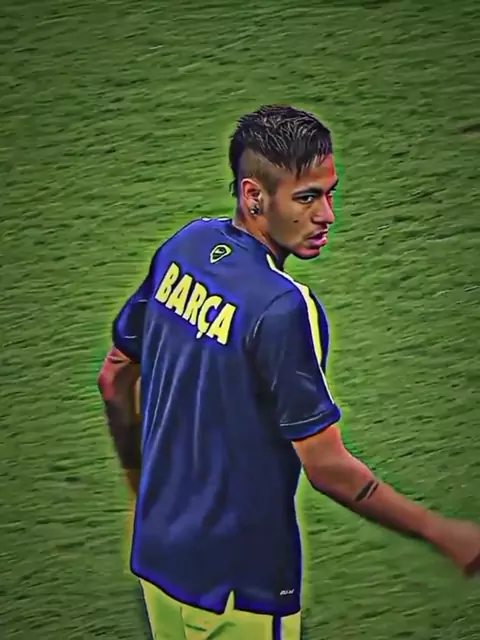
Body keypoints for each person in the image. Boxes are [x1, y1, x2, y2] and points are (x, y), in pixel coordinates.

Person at [98, 105, 480, 640]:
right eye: (307, 198)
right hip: (242, 583)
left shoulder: (184, 246)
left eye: (330, 194)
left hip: (159, 558)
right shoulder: (283, 308)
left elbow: (114, 378)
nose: (327, 215)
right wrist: (441, 531)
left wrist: (142, 488)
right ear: (254, 195)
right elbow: (326, 467)